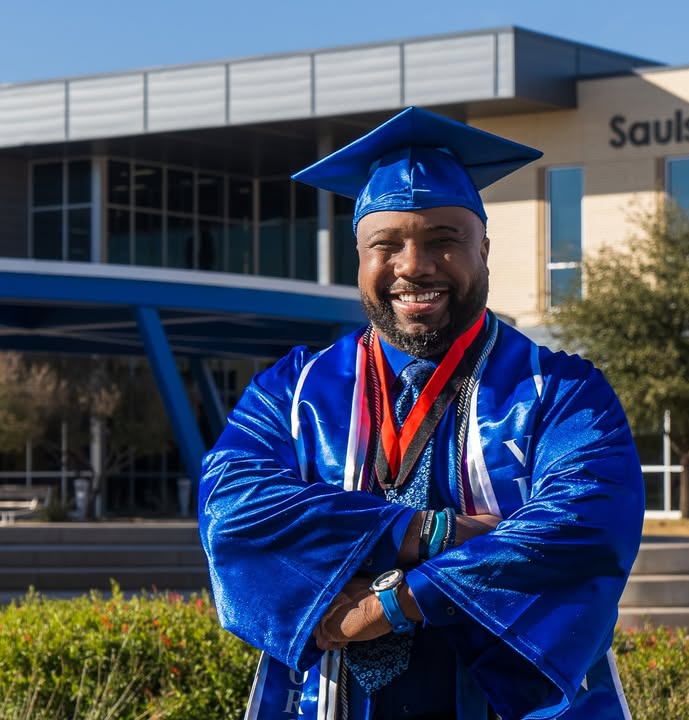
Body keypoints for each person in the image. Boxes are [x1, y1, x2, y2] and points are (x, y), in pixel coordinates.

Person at [199, 106, 645, 720]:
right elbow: (233, 506)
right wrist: (422, 533)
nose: (413, 266)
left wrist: (395, 602)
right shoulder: (293, 392)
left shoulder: (561, 392)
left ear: (483, 249)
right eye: (387, 245)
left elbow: (583, 525)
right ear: (359, 257)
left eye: (444, 240)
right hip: (332, 698)